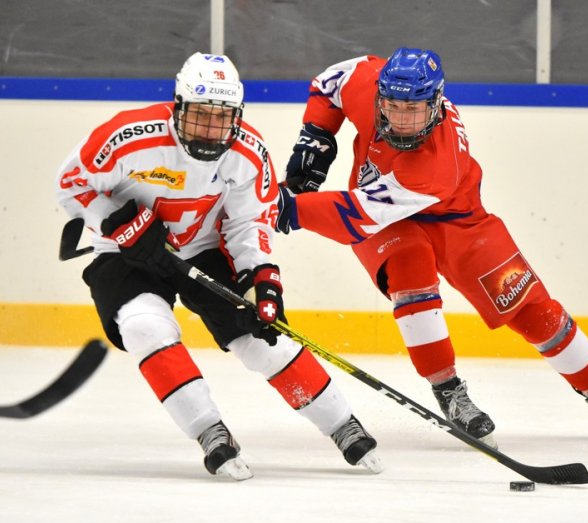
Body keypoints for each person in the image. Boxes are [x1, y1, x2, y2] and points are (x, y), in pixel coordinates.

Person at [276, 47, 588, 444]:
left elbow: (358, 214)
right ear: (381, 97)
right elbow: (332, 81)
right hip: (390, 221)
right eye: (393, 106)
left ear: (436, 105)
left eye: (412, 109)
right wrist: (316, 135)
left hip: (456, 219)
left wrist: (290, 208)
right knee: (410, 272)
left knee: (533, 311)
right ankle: (449, 392)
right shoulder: (373, 86)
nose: (400, 119)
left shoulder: (435, 165)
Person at [55, 52, 382, 480]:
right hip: (126, 251)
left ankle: (341, 423)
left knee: (262, 337)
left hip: (206, 247)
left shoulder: (248, 151)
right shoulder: (127, 135)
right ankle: (209, 430)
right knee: (143, 326)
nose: (211, 130)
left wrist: (262, 276)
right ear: (178, 106)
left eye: (222, 118)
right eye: (200, 116)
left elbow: (250, 221)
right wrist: (115, 221)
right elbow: (71, 185)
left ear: (238, 115)